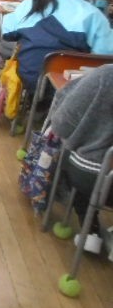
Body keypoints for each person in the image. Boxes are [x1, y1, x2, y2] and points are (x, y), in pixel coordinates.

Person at [2, 0, 113, 91]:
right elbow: (105, 54)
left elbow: (7, 33)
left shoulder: (30, 4)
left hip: (28, 77)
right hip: (72, 86)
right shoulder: (92, 14)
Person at [48, 64, 113, 254]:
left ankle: (90, 230)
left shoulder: (105, 76)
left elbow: (61, 125)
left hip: (97, 178)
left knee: (71, 152)